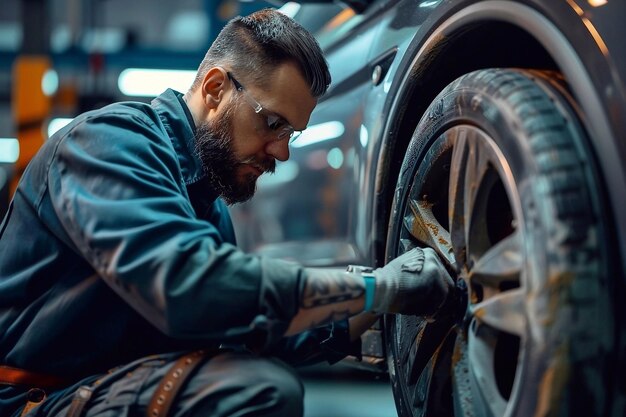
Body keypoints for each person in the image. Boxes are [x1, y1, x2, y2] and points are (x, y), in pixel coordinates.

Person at [0, 9, 455, 417]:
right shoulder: (110, 142)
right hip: (30, 400)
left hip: (95, 390)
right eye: (272, 122)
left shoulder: (208, 208)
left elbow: (264, 332)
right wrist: (377, 287)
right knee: (254, 391)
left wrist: (392, 294)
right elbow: (189, 286)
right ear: (216, 88)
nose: (281, 152)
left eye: (291, 134)